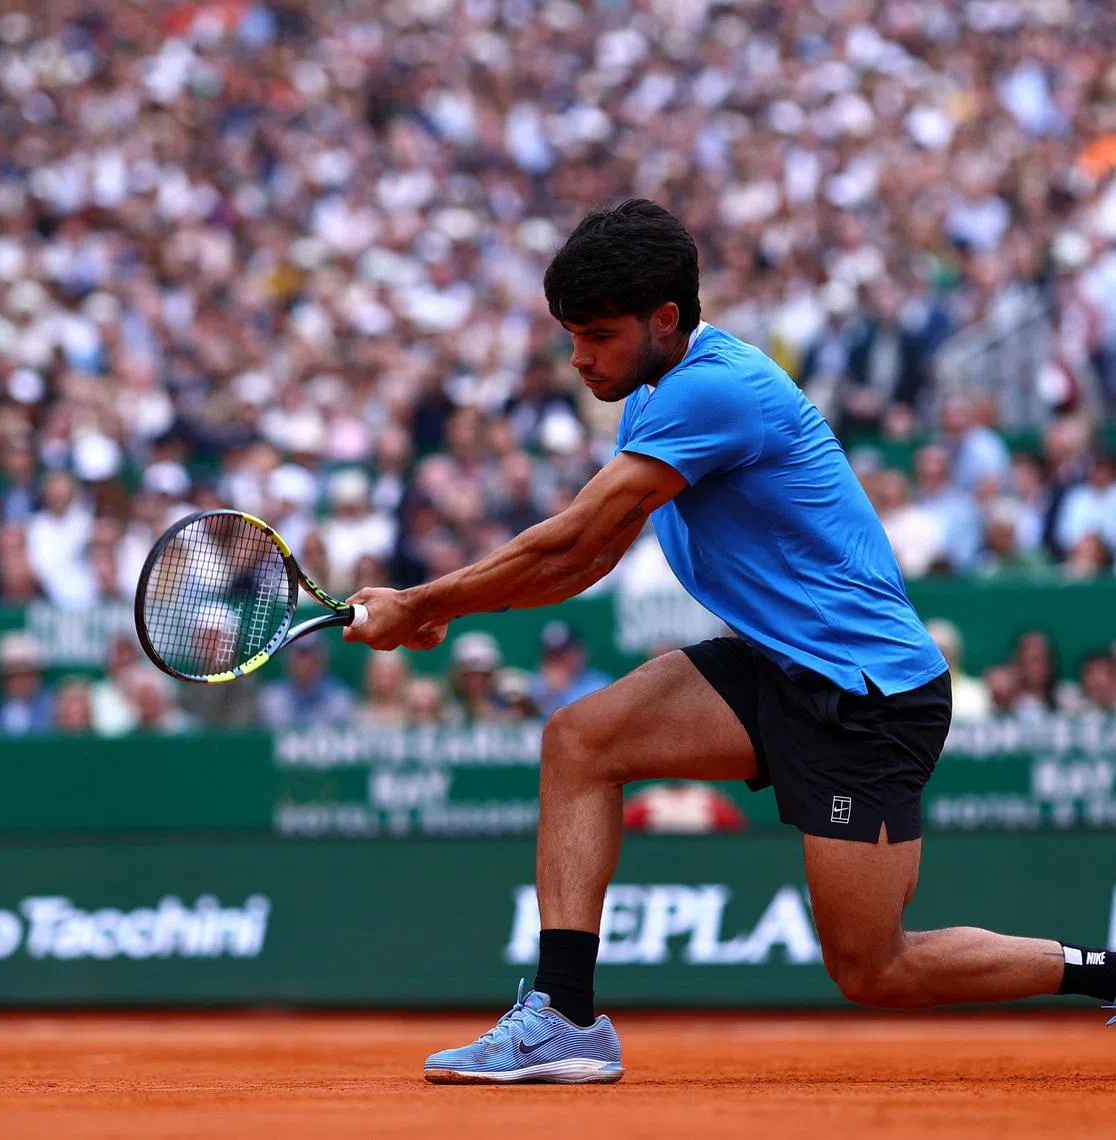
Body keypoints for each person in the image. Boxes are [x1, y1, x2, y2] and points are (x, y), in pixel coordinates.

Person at [343, 200, 1106, 1086]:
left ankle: (1107, 971)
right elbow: (589, 559)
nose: (579, 358)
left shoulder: (716, 388)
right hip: (778, 664)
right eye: (571, 336)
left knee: (876, 969)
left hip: (868, 696)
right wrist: (443, 610)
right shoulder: (651, 393)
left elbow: (571, 538)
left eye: (598, 336)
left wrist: (420, 600)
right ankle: (563, 1016)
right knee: (581, 742)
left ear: (666, 319)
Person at [530, 621, 613, 718]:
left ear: (580, 651)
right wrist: (549, 692)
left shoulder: (600, 686)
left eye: (565, 652)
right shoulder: (534, 685)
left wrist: (561, 690)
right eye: (553, 654)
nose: (560, 659)